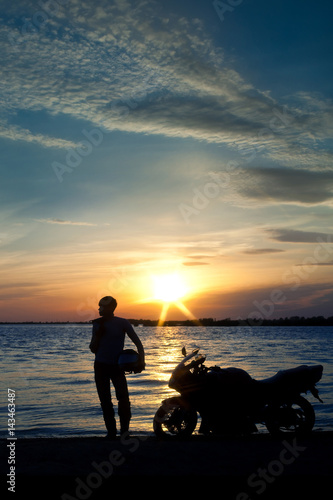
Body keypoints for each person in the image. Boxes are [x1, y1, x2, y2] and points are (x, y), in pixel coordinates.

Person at [89, 296, 145, 439]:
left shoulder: (122, 323)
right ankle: (111, 433)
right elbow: (93, 349)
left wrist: (141, 362)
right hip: (100, 366)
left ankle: (124, 432)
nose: (99, 309)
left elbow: (138, 344)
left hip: (116, 367)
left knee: (123, 399)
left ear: (109, 308)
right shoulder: (97, 324)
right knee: (105, 401)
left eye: (101, 306)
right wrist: (98, 336)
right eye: (99, 306)